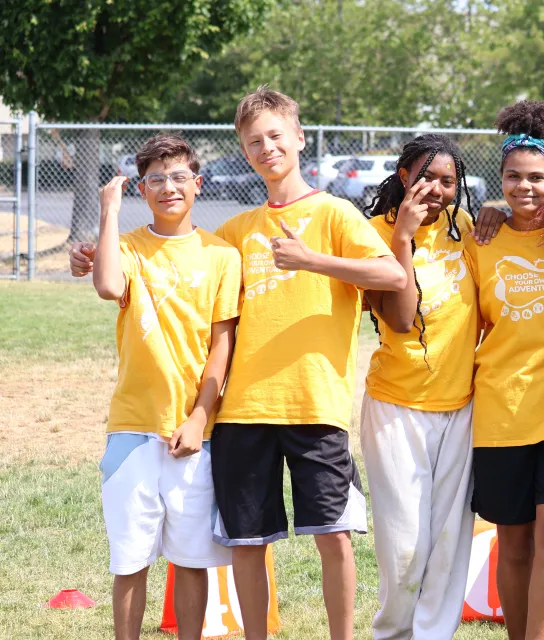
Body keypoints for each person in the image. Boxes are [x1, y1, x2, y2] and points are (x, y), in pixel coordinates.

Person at [212, 87, 404, 640]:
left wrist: (312, 260)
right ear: (244, 152)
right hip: (244, 409)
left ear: (298, 138)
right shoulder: (236, 231)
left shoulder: (334, 212)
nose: (267, 147)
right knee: (248, 540)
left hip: (315, 403)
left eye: (276, 136)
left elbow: (391, 275)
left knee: (334, 535)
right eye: (254, 141)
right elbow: (186, 262)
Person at [69, 134, 240, 640]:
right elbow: (106, 285)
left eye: (180, 176)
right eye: (156, 179)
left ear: (198, 184)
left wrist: (199, 417)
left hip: (193, 435)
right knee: (130, 561)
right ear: (142, 189)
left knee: (190, 561)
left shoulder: (221, 256)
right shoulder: (126, 247)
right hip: (132, 431)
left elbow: (222, 347)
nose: (169, 187)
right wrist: (108, 212)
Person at [464, 100, 544, 640]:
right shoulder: (481, 238)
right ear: (501, 179)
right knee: (512, 541)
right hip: (501, 410)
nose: (525, 187)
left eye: (537, 177)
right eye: (513, 177)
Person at [358, 133, 479, 640]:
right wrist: (402, 239)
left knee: (451, 543)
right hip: (397, 405)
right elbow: (402, 320)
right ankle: (393, 633)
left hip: (462, 405)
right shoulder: (370, 232)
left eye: (448, 181)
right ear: (403, 176)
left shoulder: (466, 228)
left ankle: (435, 635)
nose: (437, 188)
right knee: (405, 544)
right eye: (426, 176)